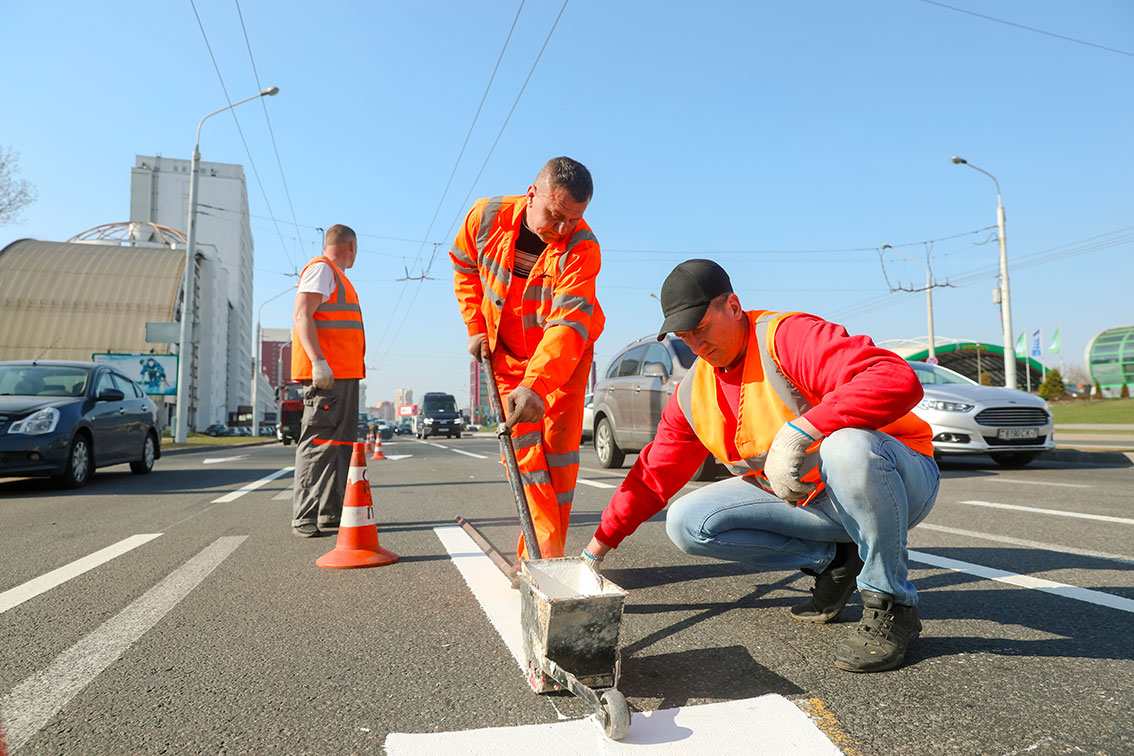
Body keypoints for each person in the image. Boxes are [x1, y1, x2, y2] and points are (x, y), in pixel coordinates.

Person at [582, 260, 940, 672]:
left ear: (732, 306)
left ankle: (891, 603)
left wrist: (805, 429)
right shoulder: (692, 393)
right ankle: (835, 560)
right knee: (687, 521)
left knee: (848, 447)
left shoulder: (785, 337)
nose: (697, 346)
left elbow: (896, 378)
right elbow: (652, 475)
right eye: (685, 338)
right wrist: (596, 550)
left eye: (701, 329)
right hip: (817, 504)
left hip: (897, 480)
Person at [450, 156, 604, 559]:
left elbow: (568, 326)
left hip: (563, 363)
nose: (562, 229)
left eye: (573, 219)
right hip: (504, 357)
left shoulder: (582, 247)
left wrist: (536, 384)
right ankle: (544, 561)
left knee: (558, 461)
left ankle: (541, 560)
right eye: (555, 216)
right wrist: (474, 326)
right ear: (531, 193)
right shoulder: (485, 217)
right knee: (524, 460)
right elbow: (464, 265)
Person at [290, 225, 365, 537]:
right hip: (327, 377)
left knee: (339, 447)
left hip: (343, 376)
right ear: (350, 246)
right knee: (318, 444)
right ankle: (304, 515)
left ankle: (330, 513)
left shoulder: (337, 276)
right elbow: (302, 315)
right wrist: (318, 362)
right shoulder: (322, 270)